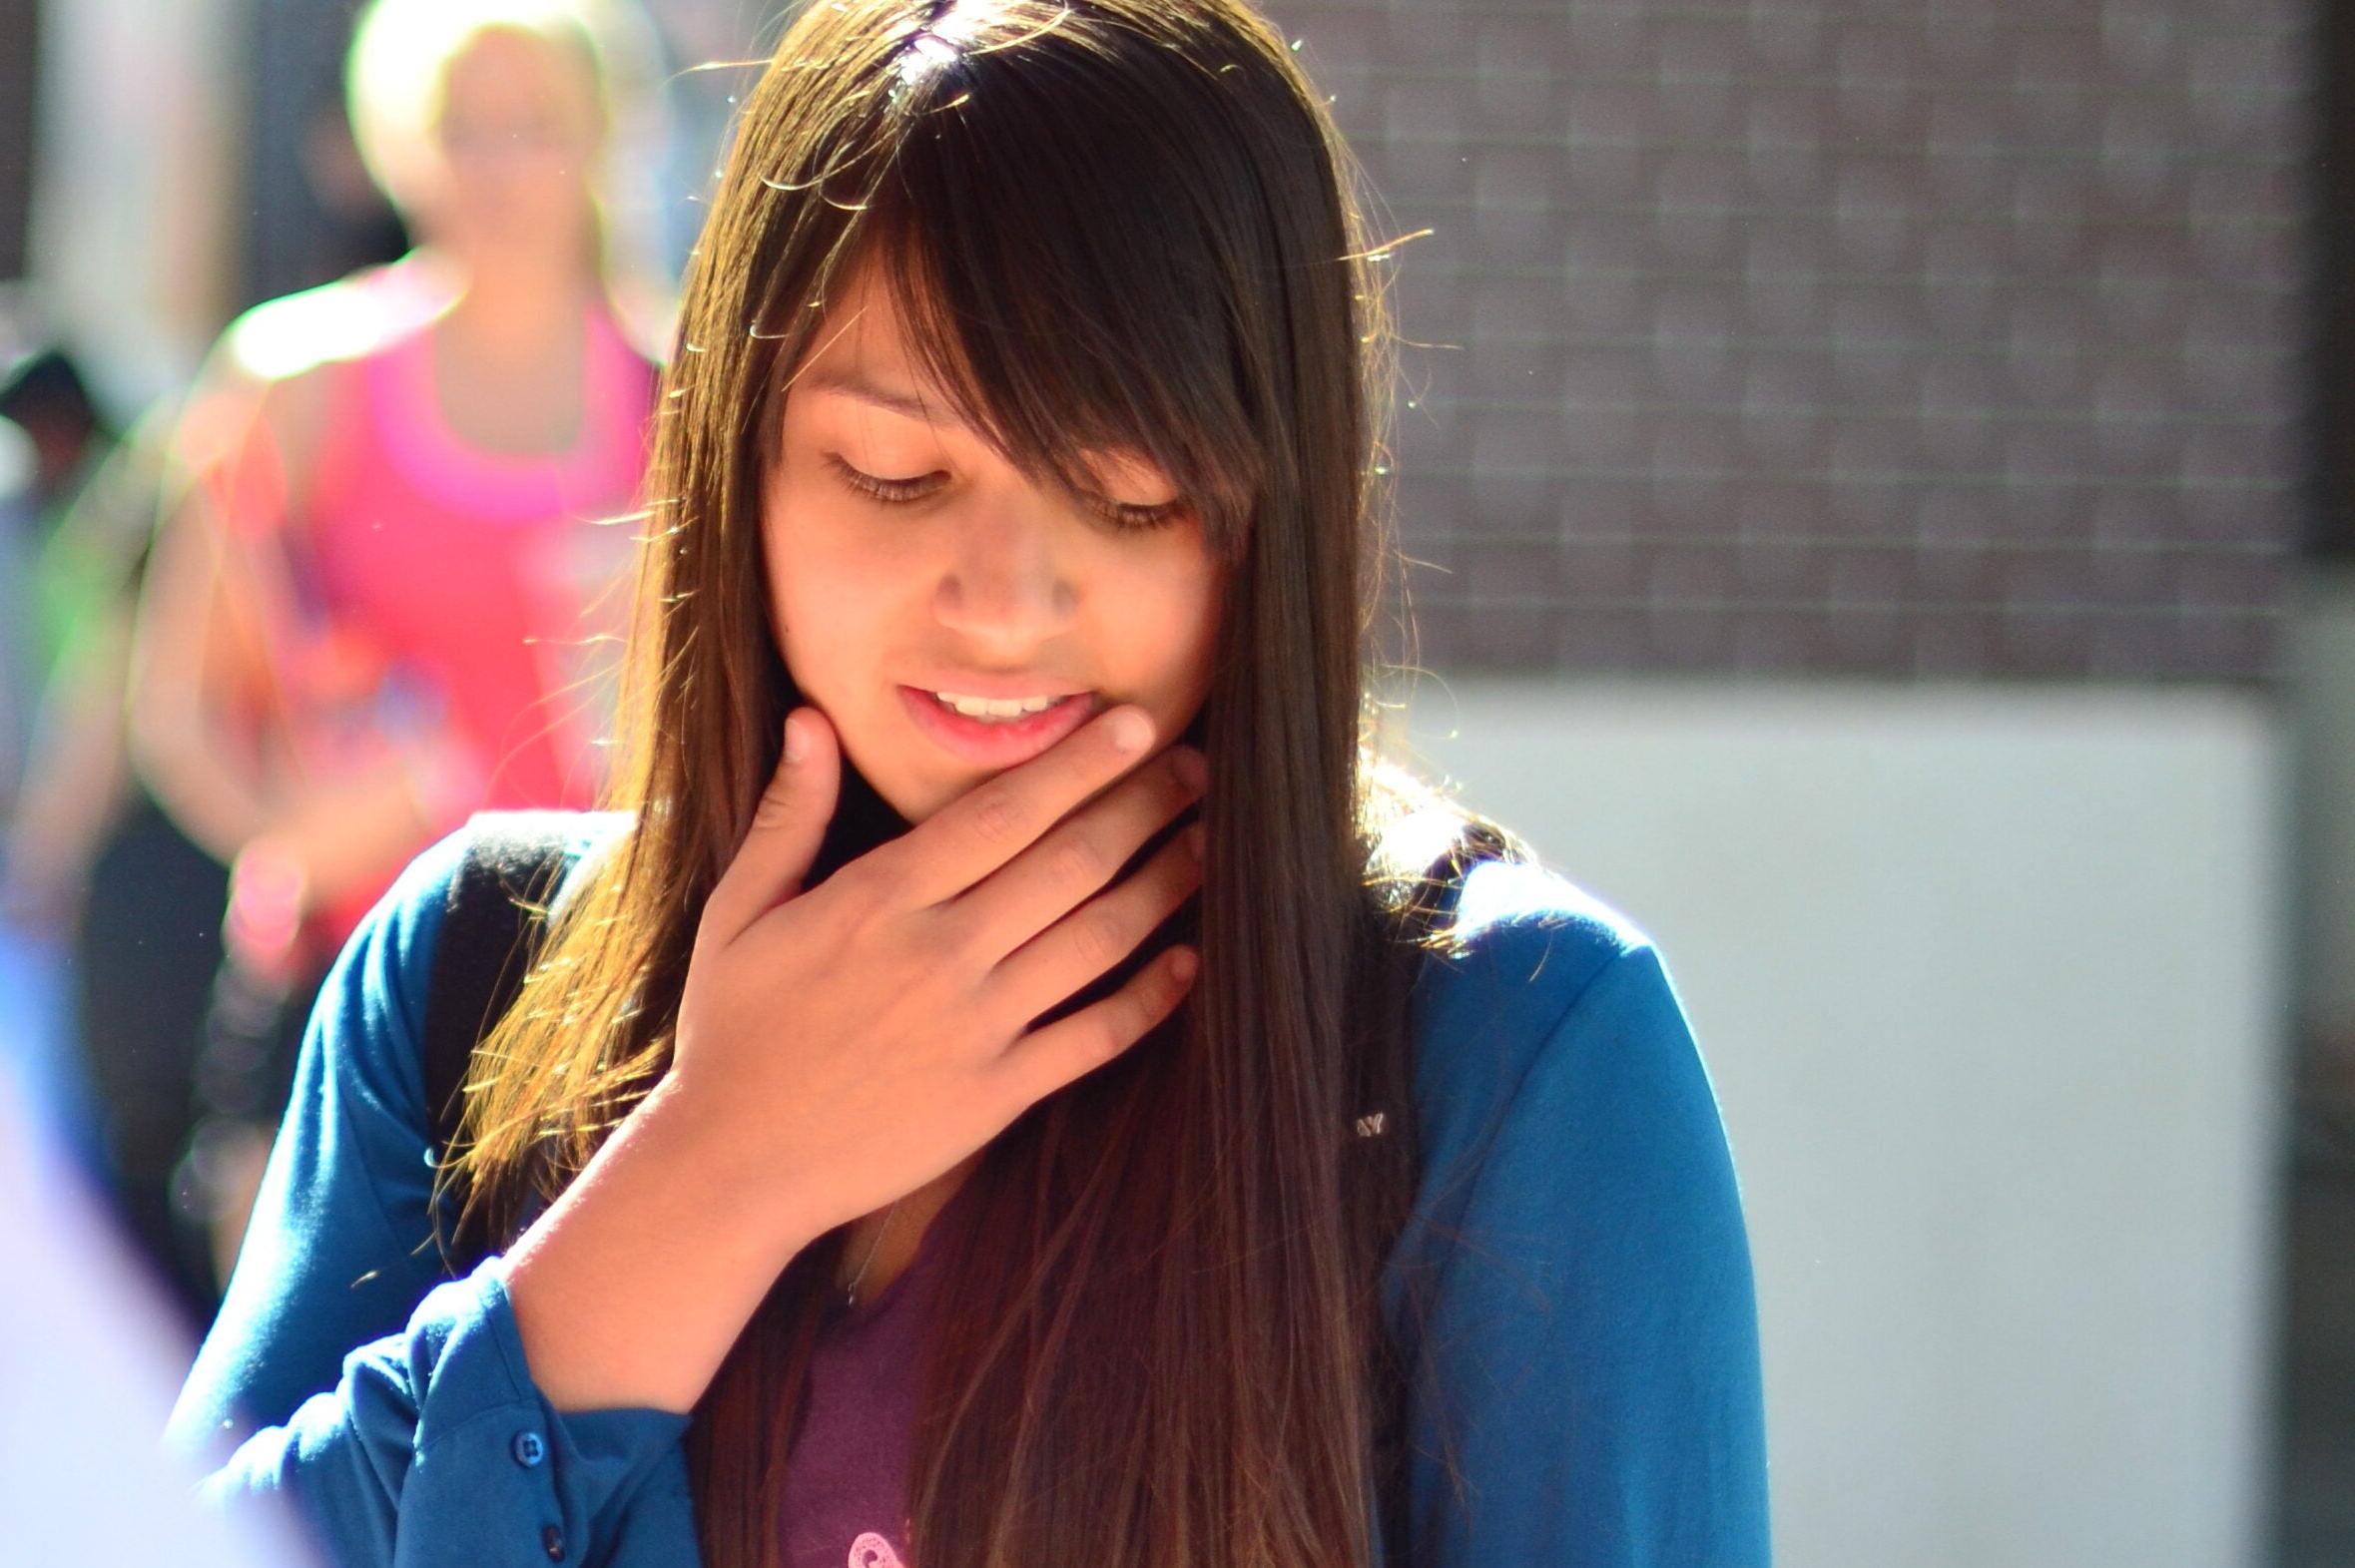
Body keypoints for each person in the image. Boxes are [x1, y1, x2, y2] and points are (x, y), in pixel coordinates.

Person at [167, 3, 1771, 1565]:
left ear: (1272, 498)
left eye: (1130, 492)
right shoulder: (472, 971)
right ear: (737, 467)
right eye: (896, 474)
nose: (1004, 596)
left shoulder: (1508, 1045)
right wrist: (709, 1177)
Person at [128, 0, 667, 1298]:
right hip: (336, 989)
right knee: (302, 1447)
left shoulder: (677, 390)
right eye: (460, 128)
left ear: (602, 136)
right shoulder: (293, 376)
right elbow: (173, 710)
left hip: (597, 1008)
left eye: (534, 125)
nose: (496, 166)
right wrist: (286, 828)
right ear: (395, 145)